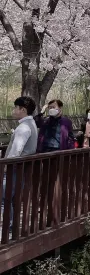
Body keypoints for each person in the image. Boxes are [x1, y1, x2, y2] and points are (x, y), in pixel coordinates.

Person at [2, 97, 38, 232]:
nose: (14, 110)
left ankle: (7, 227)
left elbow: (16, 150)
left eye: (15, 107)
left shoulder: (23, 127)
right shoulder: (31, 124)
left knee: (4, 197)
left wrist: (5, 166)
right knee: (10, 197)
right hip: (22, 167)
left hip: (15, 167)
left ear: (22, 109)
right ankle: (11, 226)